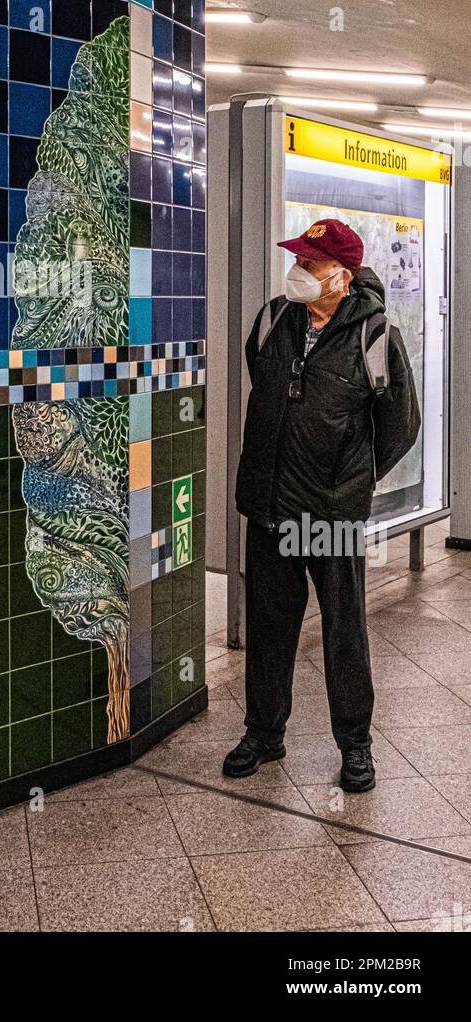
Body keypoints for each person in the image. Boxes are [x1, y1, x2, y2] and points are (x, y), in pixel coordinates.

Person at [224, 218, 421, 792]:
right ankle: (263, 732)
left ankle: (355, 746)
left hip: (331, 516)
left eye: (310, 264)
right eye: (299, 260)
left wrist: (351, 480)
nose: (299, 272)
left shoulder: (375, 334)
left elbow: (399, 427)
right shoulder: (272, 321)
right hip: (268, 504)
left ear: (342, 274)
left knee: (342, 629)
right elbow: (265, 388)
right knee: (270, 624)